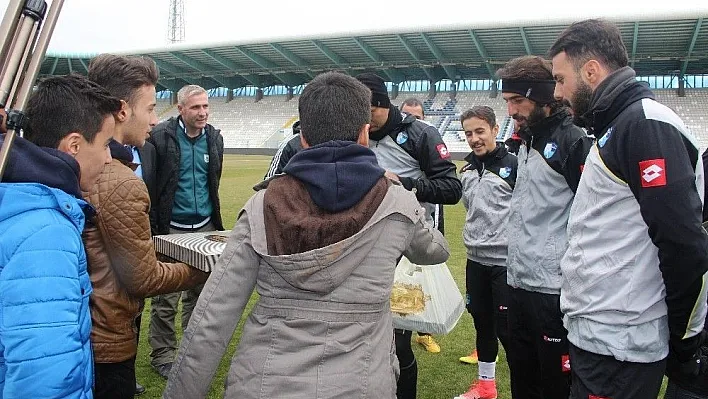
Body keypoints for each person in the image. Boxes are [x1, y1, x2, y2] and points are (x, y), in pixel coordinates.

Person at [163, 71, 450, 399]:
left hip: (266, 382)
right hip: (364, 383)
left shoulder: (263, 203)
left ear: (303, 140)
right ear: (364, 133)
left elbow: (213, 316)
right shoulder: (396, 200)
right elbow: (435, 250)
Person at [549, 19, 708, 399]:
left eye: (560, 78)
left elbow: (684, 244)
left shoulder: (643, 125)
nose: (557, 92)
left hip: (620, 345)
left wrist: (686, 342)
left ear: (591, 71)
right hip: (601, 335)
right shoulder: (618, 125)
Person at [84, 54, 210, 399]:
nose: (155, 120)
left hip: (88, 331)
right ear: (123, 110)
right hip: (107, 335)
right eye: (151, 108)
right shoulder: (118, 178)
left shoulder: (85, 162)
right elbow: (143, 278)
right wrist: (203, 267)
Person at [0, 74, 119, 399]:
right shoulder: (46, 231)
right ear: (75, 146)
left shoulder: (16, 200)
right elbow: (44, 378)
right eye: (106, 144)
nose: (109, 159)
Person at [355, 72, 462, 399]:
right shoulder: (356, 134)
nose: (363, 123)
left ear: (380, 105)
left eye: (366, 114)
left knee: (398, 340)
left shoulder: (420, 134)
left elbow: (451, 188)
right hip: (363, 250)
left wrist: (403, 183)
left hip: (406, 251)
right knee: (366, 338)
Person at [498, 55, 593, 399]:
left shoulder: (572, 141)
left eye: (518, 101)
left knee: (555, 385)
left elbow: (592, 216)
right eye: (507, 102)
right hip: (518, 281)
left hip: (553, 291)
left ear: (544, 96)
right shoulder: (526, 139)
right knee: (522, 380)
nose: (511, 112)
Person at [147, 84, 224, 379]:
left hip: (204, 228)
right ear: (180, 109)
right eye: (195, 107)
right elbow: (153, 185)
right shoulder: (160, 138)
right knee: (166, 297)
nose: (202, 112)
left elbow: (212, 182)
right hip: (170, 230)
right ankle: (163, 355)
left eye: (205, 106)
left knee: (200, 295)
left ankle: (193, 352)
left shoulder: (214, 139)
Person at [454, 106, 517, 399]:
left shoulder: (514, 165)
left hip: (506, 263)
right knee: (482, 324)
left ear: (494, 129)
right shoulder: (466, 169)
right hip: (475, 260)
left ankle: (525, 385)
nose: (474, 138)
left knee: (510, 331)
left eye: (480, 131)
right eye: (468, 133)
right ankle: (486, 387)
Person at [399, 96, 444, 354]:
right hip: (399, 220)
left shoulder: (428, 142)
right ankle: (403, 326)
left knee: (423, 275)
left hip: (425, 218)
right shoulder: (396, 142)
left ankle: (424, 331)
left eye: (418, 116)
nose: (413, 120)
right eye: (408, 115)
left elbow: (442, 184)